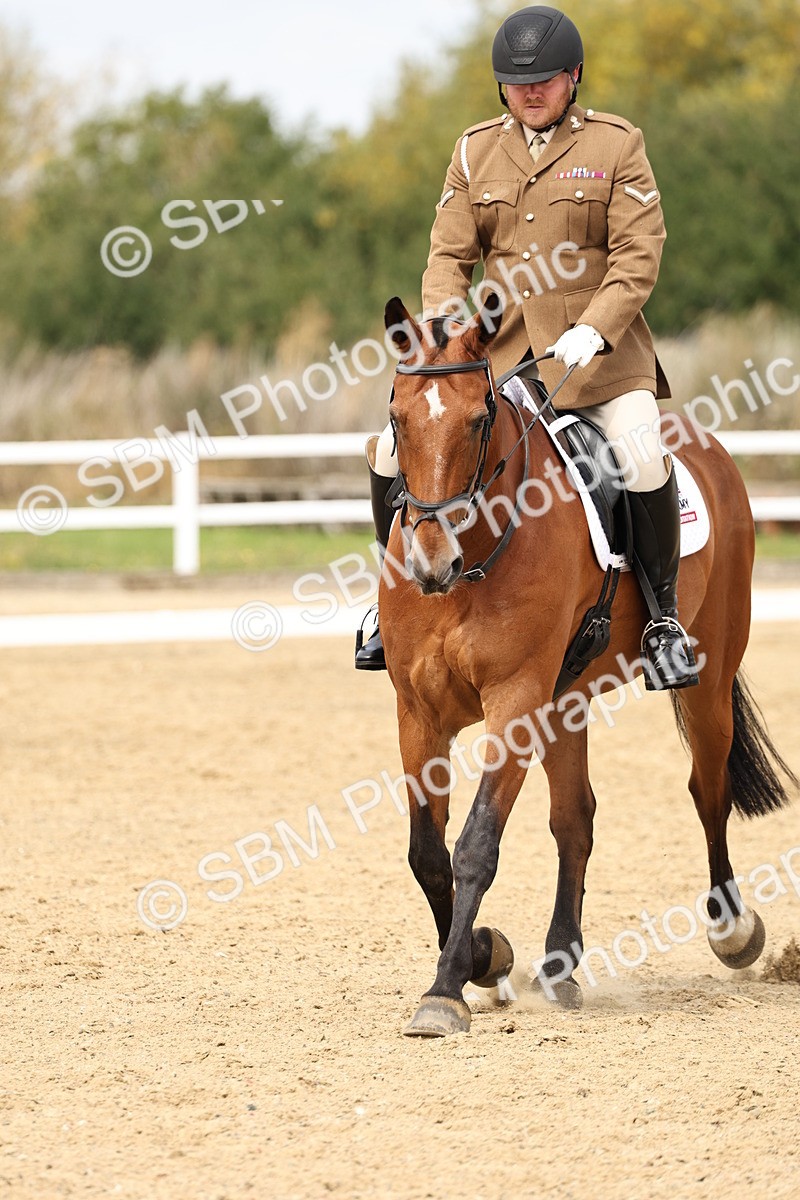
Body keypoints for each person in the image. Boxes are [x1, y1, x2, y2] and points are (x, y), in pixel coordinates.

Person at [355, 3, 697, 690]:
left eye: (544, 79)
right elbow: (448, 256)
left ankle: (663, 619)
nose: (531, 91)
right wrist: (444, 331)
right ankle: (391, 595)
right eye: (517, 82)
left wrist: (596, 327)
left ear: (573, 77)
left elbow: (638, 255)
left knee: (640, 454)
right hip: (501, 359)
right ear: (500, 87)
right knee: (394, 449)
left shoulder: (616, 145)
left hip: (600, 363)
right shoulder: (474, 151)